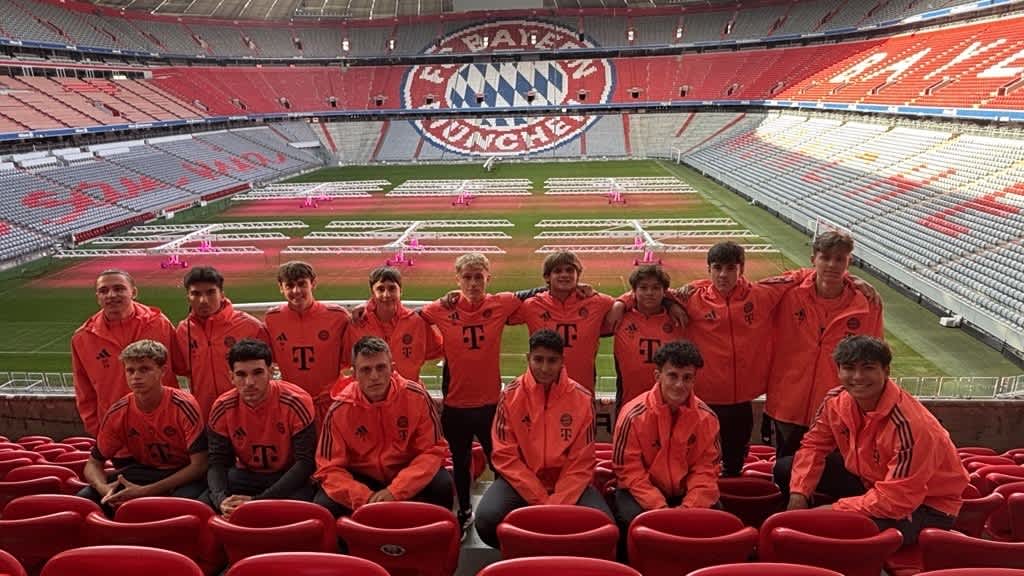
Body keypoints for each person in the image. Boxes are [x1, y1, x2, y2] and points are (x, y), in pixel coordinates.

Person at [774, 336, 968, 545]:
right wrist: (799, 495)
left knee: (842, 528)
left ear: (886, 371)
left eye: (868, 368)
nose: (858, 377)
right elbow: (813, 447)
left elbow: (898, 499)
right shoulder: (835, 402)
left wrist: (833, 510)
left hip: (925, 506)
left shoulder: (911, 425)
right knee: (787, 468)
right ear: (838, 371)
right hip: (875, 481)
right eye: (849, 368)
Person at [475, 329, 612, 548]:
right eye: (538, 360)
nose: (545, 368)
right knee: (486, 520)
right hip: (521, 481)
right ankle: (525, 551)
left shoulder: (582, 399)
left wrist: (558, 501)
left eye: (552, 360)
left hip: (567, 482)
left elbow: (582, 461)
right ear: (528, 358)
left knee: (603, 526)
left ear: (562, 361)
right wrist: (539, 498)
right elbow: (504, 456)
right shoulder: (510, 396)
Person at [419, 253, 523, 534]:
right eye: (467, 277)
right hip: (456, 404)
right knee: (460, 462)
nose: (473, 283)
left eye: (479, 276)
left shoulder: (500, 303)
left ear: (489, 277)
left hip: (491, 404)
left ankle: (505, 512)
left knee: (500, 463)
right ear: (457, 280)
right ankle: (464, 510)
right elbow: (414, 317)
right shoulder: (441, 308)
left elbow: (534, 295)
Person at [765, 231, 884, 458]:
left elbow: (876, 359)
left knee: (828, 475)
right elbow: (742, 292)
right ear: (813, 260)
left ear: (849, 262)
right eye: (825, 257)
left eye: (840, 259)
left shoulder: (867, 304)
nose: (832, 264)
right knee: (785, 470)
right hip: (788, 403)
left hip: (836, 408)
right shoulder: (788, 293)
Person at [314, 336, 452, 518]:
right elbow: (329, 468)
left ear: (392, 368)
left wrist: (396, 491)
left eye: (381, 367)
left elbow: (433, 450)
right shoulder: (339, 410)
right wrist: (364, 497)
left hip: (406, 470)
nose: (374, 377)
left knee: (443, 485)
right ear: (354, 374)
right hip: (362, 478)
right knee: (323, 504)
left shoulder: (417, 397)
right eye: (366, 370)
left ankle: (433, 542)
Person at [78, 340, 207, 512]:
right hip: (147, 471)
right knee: (84, 498)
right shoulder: (119, 411)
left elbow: (200, 465)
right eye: (130, 370)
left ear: (162, 371)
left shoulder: (183, 405)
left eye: (144, 369)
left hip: (184, 474)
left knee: (178, 506)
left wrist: (144, 492)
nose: (136, 376)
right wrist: (104, 489)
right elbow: (93, 463)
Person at [612, 340, 721, 531]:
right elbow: (628, 470)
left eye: (687, 378)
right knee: (635, 525)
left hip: (686, 493)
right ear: (657, 376)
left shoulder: (707, 418)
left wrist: (689, 508)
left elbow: (706, 470)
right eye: (672, 376)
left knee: (717, 525)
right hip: (641, 493)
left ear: (694, 380)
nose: (679, 385)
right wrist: (659, 507)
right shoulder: (633, 415)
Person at [204, 339, 317, 517]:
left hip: (288, 478)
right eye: (241, 374)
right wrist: (221, 500)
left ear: (271, 372)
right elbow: (217, 462)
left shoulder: (297, 402)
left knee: (302, 510)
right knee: (202, 506)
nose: (249, 382)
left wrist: (257, 502)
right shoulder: (222, 407)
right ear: (231, 377)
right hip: (246, 476)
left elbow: (305, 463)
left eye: (257, 373)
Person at [72, 269, 177, 435]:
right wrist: (97, 429)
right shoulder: (83, 337)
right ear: (97, 297)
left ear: (133, 292)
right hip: (118, 431)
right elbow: (84, 391)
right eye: (103, 291)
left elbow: (184, 367)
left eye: (119, 289)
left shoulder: (159, 324)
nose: (111, 295)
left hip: (166, 425)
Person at [510, 251, 617, 393]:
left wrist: (622, 303)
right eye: (557, 271)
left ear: (578, 274)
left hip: (582, 390)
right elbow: (499, 310)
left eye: (570, 270)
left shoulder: (598, 302)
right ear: (547, 277)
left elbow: (630, 304)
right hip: (542, 389)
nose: (564, 275)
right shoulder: (532, 305)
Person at [174, 266, 270, 419]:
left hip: (247, 415)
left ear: (222, 294)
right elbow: (183, 369)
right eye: (196, 294)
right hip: (205, 415)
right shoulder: (183, 331)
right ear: (188, 297)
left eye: (211, 292)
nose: (203, 300)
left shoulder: (249, 326)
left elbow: (267, 370)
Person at [265, 261, 350, 426]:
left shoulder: (338, 317)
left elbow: (350, 357)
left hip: (331, 403)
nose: (296, 291)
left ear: (313, 284)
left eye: (302, 284)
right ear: (281, 288)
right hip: (293, 404)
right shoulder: (272, 319)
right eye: (289, 285)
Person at [341, 266, 443, 383]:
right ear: (372, 293)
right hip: (370, 397)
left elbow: (440, 350)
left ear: (401, 291)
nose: (386, 295)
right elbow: (345, 362)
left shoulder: (417, 322)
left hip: (407, 396)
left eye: (392, 288)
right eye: (380, 289)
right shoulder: (357, 324)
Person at [612, 265, 686, 409]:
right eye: (643, 288)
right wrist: (621, 302)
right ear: (633, 291)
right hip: (629, 406)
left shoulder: (679, 319)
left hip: (669, 405)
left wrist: (671, 304)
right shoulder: (619, 317)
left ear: (664, 292)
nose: (649, 293)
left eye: (656, 288)